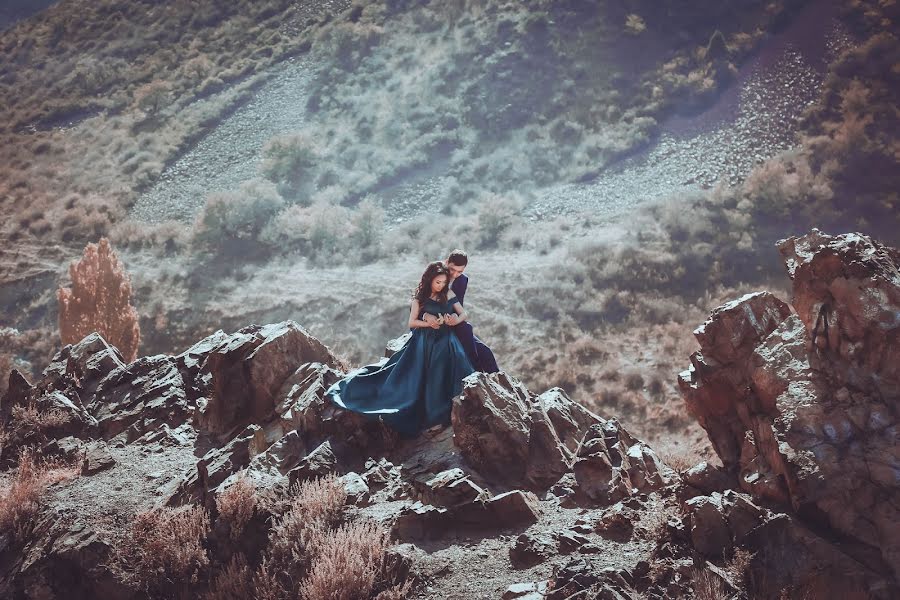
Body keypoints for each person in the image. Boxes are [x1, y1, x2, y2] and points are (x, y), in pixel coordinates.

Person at [325, 261, 475, 437]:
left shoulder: (448, 293)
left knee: (452, 369)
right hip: (425, 341)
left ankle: (454, 409)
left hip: (446, 340)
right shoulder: (420, 298)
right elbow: (412, 322)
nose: (441, 285)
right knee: (422, 377)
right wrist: (428, 322)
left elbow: (463, 313)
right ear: (429, 280)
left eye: (443, 282)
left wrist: (454, 320)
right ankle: (434, 416)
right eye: (438, 282)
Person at [422, 249, 500, 373]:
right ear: (447, 262)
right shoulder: (434, 272)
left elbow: (459, 307)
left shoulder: (462, 280)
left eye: (460, 271)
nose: (455, 274)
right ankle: (477, 374)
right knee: (465, 332)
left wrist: (455, 318)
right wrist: (426, 315)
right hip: (432, 323)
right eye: (452, 269)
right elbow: (417, 300)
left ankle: (497, 385)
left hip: (451, 322)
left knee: (485, 352)